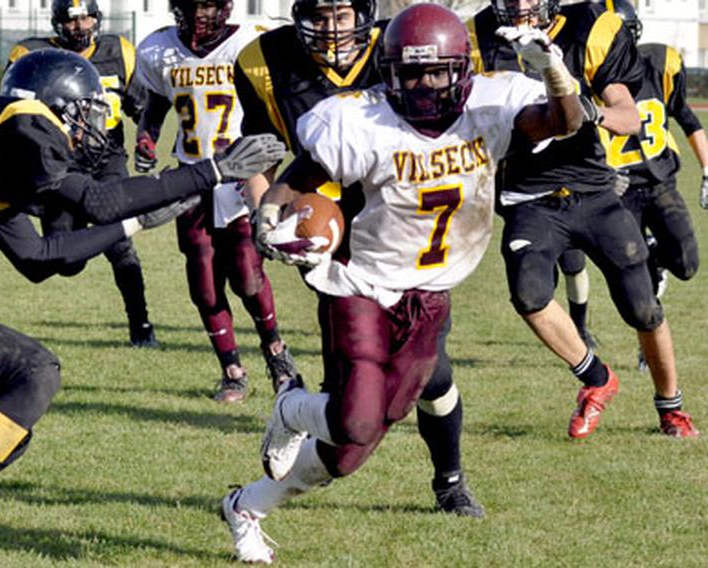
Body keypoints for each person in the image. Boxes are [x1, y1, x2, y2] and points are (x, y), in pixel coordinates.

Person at [0, 49, 284, 568]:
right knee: (35, 371)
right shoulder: (22, 121)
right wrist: (211, 171)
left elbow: (41, 257)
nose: (90, 128)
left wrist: (138, 223)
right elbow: (97, 204)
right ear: (55, 104)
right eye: (84, 113)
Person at [221, 4, 583, 563]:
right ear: (389, 73)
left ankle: (246, 505)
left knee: (345, 455)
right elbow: (297, 180)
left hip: (430, 295)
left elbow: (564, 122)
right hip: (362, 284)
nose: (423, 85)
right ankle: (293, 409)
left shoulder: (491, 104)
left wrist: (555, 75)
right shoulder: (360, 121)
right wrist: (269, 221)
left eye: (436, 72)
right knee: (355, 419)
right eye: (410, 74)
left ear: (461, 71)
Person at [233, 0, 482, 516]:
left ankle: (449, 481)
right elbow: (259, 156)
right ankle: (289, 464)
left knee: (432, 373)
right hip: (330, 241)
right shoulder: (265, 59)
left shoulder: (405, 43)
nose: (331, 28)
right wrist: (266, 216)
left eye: (342, 14)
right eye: (319, 15)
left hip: (403, 229)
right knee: (355, 387)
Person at [467, 0, 698, 438]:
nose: (519, 4)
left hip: (592, 189)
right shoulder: (475, 39)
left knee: (643, 308)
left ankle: (671, 408)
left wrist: (593, 113)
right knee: (528, 293)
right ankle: (597, 379)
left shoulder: (587, 27)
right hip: (528, 194)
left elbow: (629, 117)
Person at [133, 0, 299, 402]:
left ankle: (276, 352)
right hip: (192, 175)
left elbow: (276, 104)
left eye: (208, 5)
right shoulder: (159, 49)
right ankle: (232, 370)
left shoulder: (252, 42)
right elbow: (155, 102)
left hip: (241, 174)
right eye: (191, 6)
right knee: (204, 280)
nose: (199, 15)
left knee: (246, 271)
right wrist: (146, 135)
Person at [6, 0, 160, 348]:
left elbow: (144, 106)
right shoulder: (33, 53)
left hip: (107, 158)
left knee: (121, 242)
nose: (80, 26)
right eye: (72, 20)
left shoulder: (117, 50)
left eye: (86, 17)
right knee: (67, 260)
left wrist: (147, 137)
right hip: (60, 165)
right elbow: (9, 107)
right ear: (57, 22)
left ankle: (141, 325)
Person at [605, 0, 705, 394]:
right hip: (617, 189)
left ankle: (657, 258)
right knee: (636, 282)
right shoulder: (590, 74)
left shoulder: (661, 65)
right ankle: (649, 346)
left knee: (687, 264)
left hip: (660, 181)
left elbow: (688, 119)